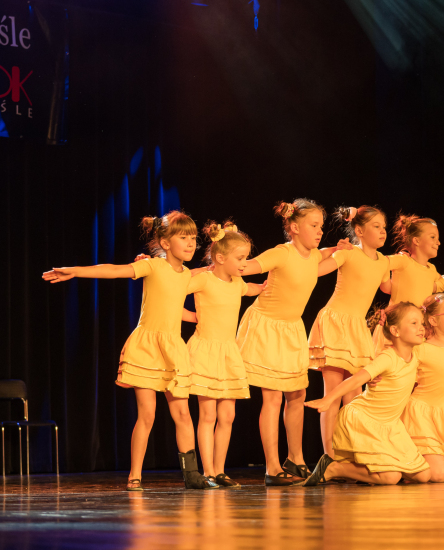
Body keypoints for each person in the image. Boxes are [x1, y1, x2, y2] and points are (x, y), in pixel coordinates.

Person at [42, 211, 216, 491]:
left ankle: (192, 474)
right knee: (147, 415)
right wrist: (75, 271)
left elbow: (184, 296)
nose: (190, 243)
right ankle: (135, 475)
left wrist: (201, 314)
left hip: (173, 349)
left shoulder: (186, 275)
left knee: (183, 414)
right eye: (183, 237)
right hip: (147, 348)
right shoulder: (152, 266)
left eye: (193, 238)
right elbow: (114, 270)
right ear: (165, 242)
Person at [236, 199, 351, 486]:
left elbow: (322, 254)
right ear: (295, 227)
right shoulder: (281, 253)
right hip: (267, 327)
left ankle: (295, 459)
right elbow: (247, 267)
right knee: (273, 397)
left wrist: (337, 248)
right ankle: (272, 467)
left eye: (321, 226)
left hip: (291, 330)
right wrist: (222, 259)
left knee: (297, 394)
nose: (320, 231)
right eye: (314, 225)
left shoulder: (313, 256)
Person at [303, 302, 431, 486]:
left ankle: (368, 471)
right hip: (366, 420)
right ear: (395, 331)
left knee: (423, 475)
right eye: (414, 323)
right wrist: (328, 399)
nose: (421, 328)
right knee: (391, 477)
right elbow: (355, 380)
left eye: (422, 323)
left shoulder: (415, 353)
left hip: (390, 426)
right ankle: (334, 468)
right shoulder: (388, 358)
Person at [184, 220, 264, 488]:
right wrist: (190, 316)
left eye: (246, 258)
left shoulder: (237, 283)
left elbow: (252, 289)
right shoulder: (204, 280)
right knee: (208, 415)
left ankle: (219, 470)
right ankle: (207, 471)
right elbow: (172, 288)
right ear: (220, 258)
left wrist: (267, 286)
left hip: (229, 353)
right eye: (240, 258)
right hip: (206, 351)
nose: (244, 263)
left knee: (227, 416)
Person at [308, 205, 390, 456]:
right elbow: (316, 270)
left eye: (384, 227)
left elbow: (390, 288)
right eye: (376, 226)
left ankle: (351, 454)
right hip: (335, 323)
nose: (382, 231)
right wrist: (330, 250)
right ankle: (329, 457)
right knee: (333, 394)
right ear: (359, 231)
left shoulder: (384, 262)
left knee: (355, 396)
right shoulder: (349, 253)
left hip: (357, 328)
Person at [401, 293, 444, 482]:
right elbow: (399, 369)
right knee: (438, 474)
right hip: (422, 414)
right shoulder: (421, 348)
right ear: (432, 320)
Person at [373, 214, 441, 353]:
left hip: (417, 331)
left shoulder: (432, 270)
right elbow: (380, 262)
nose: (438, 242)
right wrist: (387, 284)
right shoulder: (404, 261)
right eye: (433, 237)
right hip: (396, 329)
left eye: (437, 238)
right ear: (416, 240)